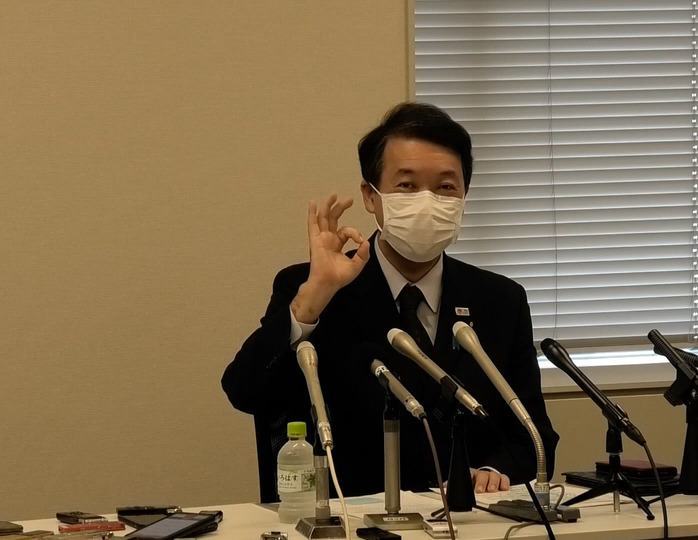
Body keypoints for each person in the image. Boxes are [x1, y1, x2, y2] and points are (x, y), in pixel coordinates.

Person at [222, 102, 558, 500]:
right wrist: (312, 301)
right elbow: (244, 392)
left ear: (464, 196)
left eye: (445, 187)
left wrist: (493, 471)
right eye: (407, 186)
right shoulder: (311, 289)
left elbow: (533, 437)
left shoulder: (501, 300)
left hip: (469, 518)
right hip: (355, 516)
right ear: (370, 195)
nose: (427, 201)